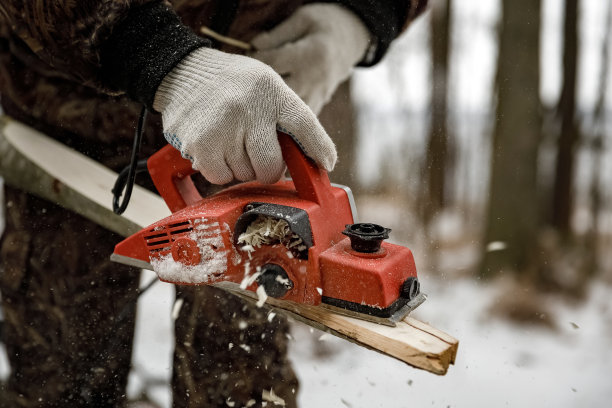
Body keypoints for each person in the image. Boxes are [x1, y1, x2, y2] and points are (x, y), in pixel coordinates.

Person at [0, 1, 427, 406]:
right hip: (72, 118)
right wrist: (158, 55)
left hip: (249, 138)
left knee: (240, 382)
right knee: (59, 376)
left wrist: (357, 20)